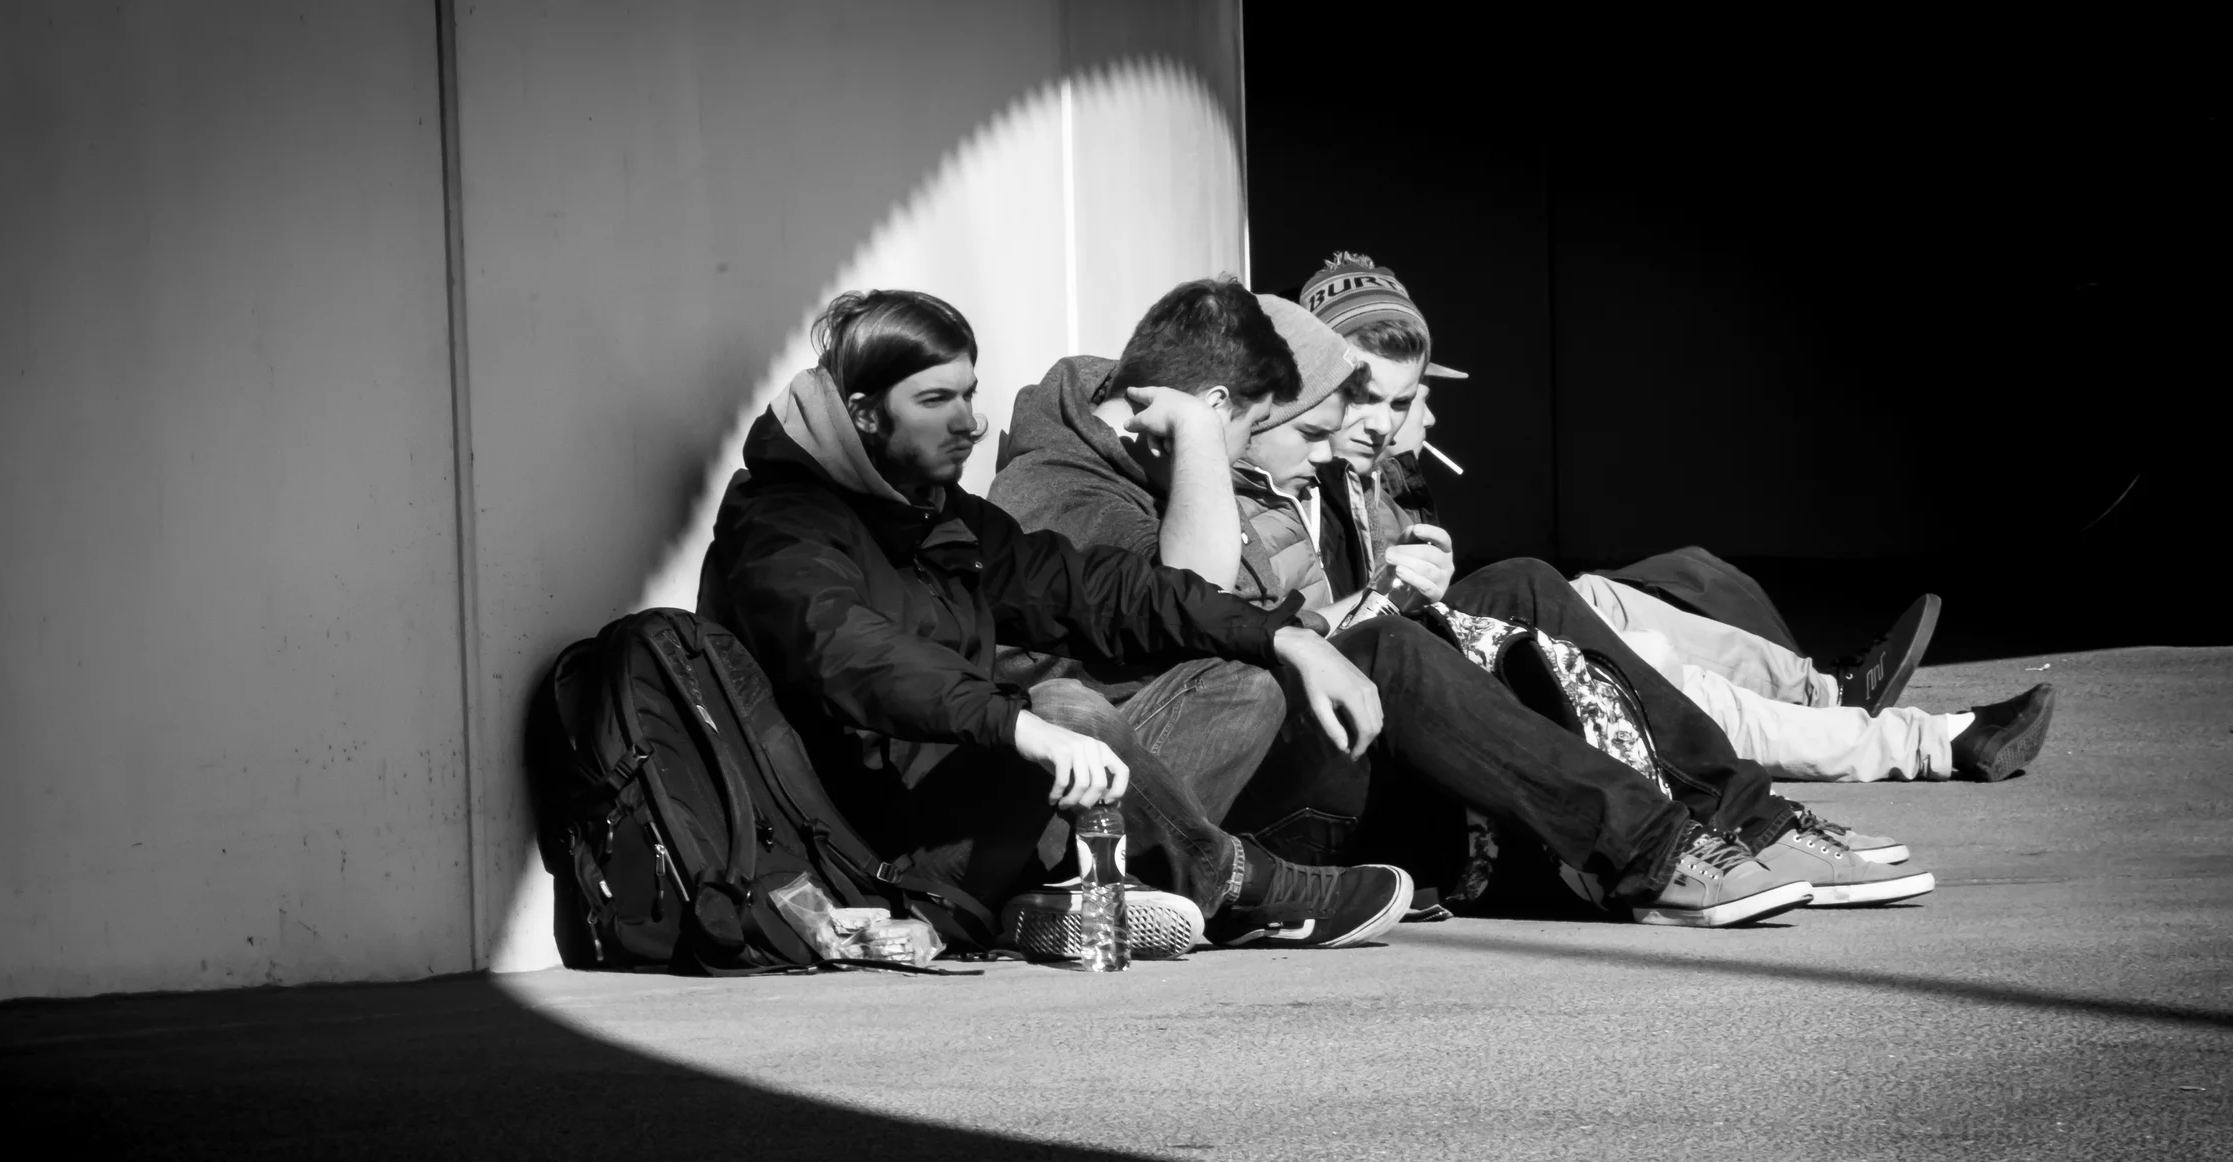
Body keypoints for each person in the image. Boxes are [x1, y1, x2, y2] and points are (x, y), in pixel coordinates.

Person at [990, 277, 1887, 924]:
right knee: (1387, 649)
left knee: (1518, 583)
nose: (1330, 447)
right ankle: (1653, 852)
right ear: (1214, 406)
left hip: (1262, 737)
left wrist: (1351, 604)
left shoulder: (1169, 460)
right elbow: (1191, 607)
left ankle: (1744, 818)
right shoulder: (1065, 491)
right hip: (1172, 804)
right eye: (1279, 428)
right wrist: (1209, 455)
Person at [697, 287, 1417, 951]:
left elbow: (1101, 590)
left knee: (1239, 680)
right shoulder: (780, 523)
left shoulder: (937, 514)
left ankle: (1074, 892)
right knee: (1068, 709)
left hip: (979, 807)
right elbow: (850, 652)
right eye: (935, 400)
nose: (969, 422)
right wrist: (1017, 725)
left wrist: (1283, 635)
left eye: (969, 393)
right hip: (869, 855)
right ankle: (1237, 885)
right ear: (863, 412)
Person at [1307, 252, 2057, 786]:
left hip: (1427, 666)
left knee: (1601, 600)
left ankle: (1838, 698)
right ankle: (1920, 739)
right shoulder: (1286, 484)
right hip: (1405, 703)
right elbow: (1294, 635)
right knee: (1646, 661)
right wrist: (1392, 587)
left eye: (1403, 400)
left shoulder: (1361, 476)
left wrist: (1408, 558)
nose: (1396, 420)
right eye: (1369, 398)